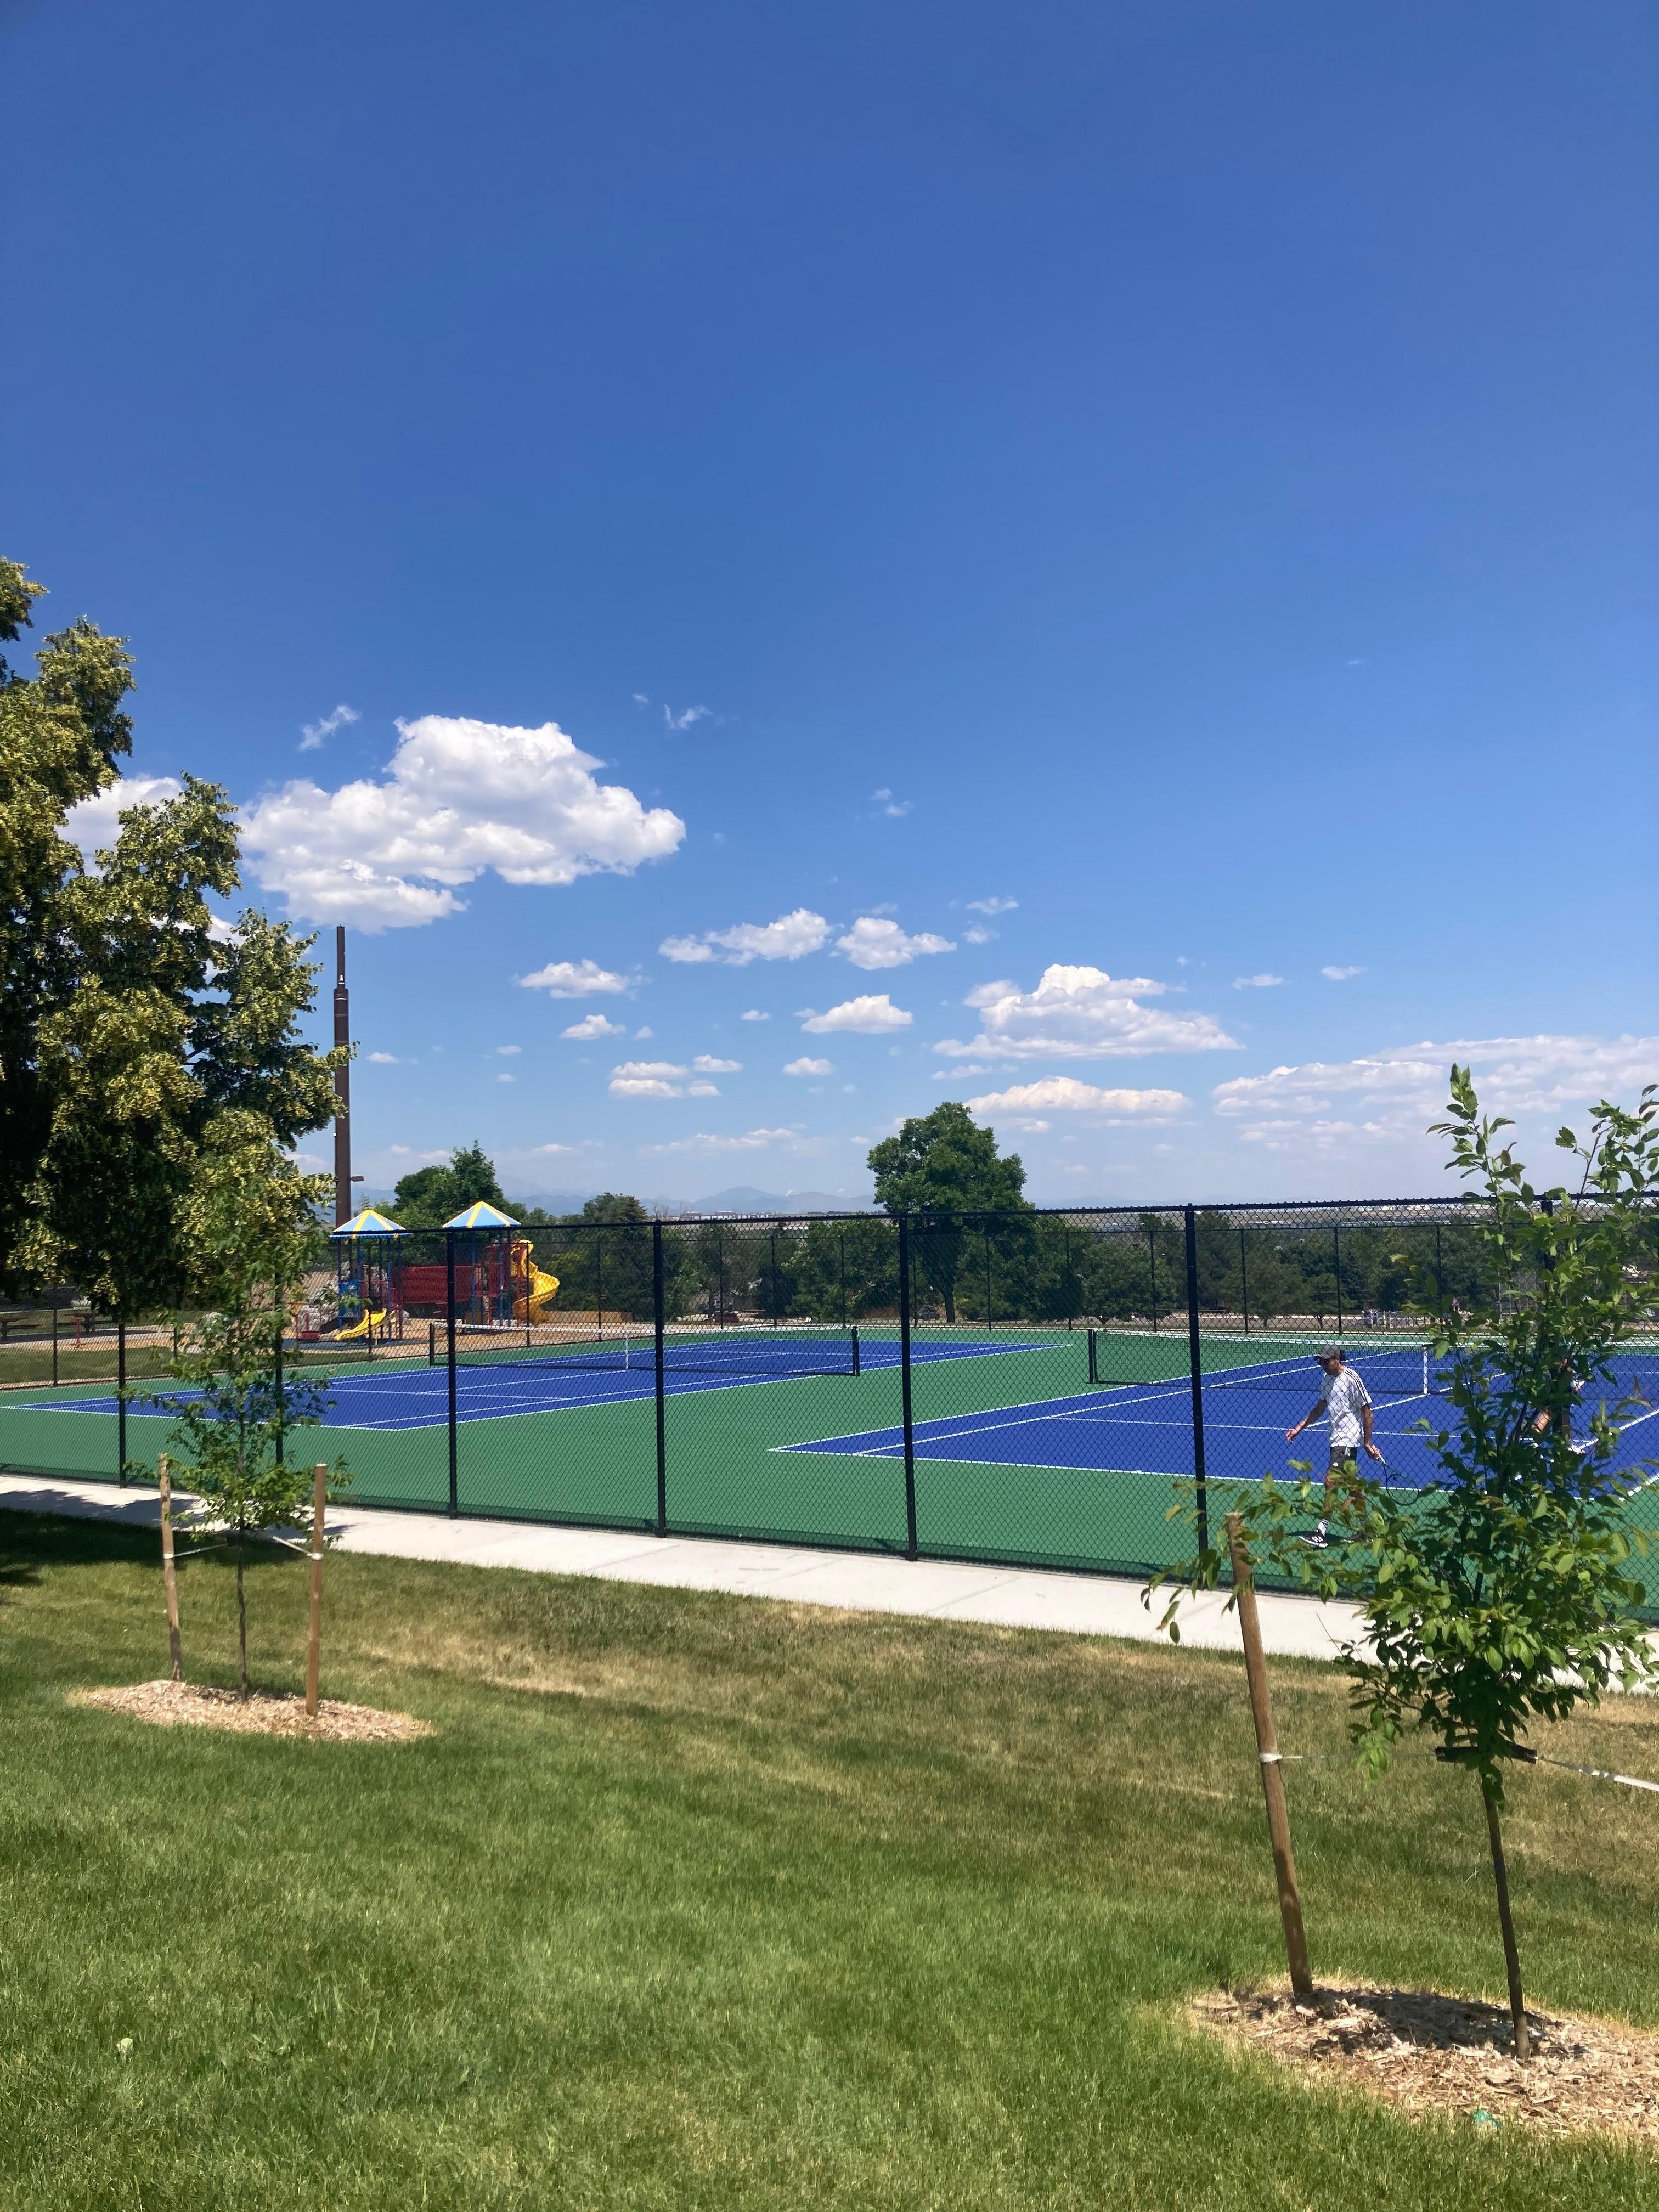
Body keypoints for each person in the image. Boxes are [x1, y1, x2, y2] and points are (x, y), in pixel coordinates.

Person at [1285, 1347, 1383, 1543]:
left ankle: (1321, 1532)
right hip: (1335, 1438)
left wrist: (1367, 1442)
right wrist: (1299, 1428)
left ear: (1337, 1359)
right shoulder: (1326, 1380)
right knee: (1353, 1488)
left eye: (1326, 1361)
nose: (1322, 1365)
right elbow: (1320, 1408)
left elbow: (1367, 1412)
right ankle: (1368, 1531)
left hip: (1347, 1439)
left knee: (1330, 1483)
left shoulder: (1352, 1379)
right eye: (1320, 1361)